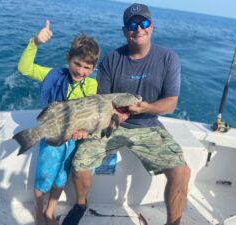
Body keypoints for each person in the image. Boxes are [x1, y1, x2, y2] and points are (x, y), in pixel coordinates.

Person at [62, 3, 191, 225]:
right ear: (124, 30)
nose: (138, 28)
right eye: (132, 24)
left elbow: (170, 103)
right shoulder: (112, 59)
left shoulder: (168, 58)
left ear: (152, 27)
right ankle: (81, 203)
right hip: (111, 124)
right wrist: (114, 117)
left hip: (148, 125)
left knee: (182, 172)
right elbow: (102, 100)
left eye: (144, 23)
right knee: (80, 162)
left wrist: (146, 108)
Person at [18, 20, 100, 225]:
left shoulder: (92, 85)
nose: (81, 71)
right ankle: (39, 210)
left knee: (61, 179)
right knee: (44, 178)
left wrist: (83, 131)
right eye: (77, 64)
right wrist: (35, 43)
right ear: (68, 59)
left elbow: (88, 115)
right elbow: (24, 69)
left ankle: (50, 212)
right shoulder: (53, 75)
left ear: (93, 68)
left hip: (72, 141)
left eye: (87, 67)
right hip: (52, 137)